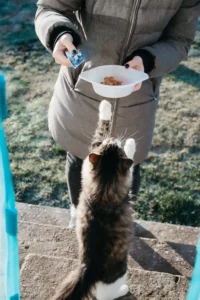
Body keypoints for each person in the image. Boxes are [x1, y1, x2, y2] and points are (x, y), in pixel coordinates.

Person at [35, 0, 200, 224]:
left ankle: (117, 224)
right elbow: (51, 8)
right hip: (83, 87)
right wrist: (58, 33)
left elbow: (180, 40)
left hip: (137, 97)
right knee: (79, 154)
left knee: (128, 162)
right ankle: (78, 213)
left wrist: (149, 59)